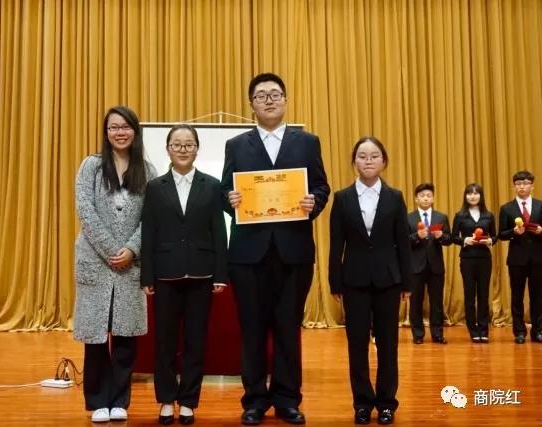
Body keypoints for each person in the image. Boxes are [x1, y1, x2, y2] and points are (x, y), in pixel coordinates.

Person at [221, 73, 330, 425]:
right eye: (261, 95)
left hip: (293, 251)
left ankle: (287, 399)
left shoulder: (307, 142)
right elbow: (224, 191)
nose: (269, 100)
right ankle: (254, 400)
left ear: (285, 100)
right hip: (248, 254)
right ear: (251, 104)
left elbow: (322, 187)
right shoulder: (236, 145)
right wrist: (230, 199)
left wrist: (314, 202)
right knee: (252, 329)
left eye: (275, 94)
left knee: (288, 328)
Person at [73, 106, 156, 423]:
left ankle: (120, 400)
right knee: (95, 336)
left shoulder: (147, 169)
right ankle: (97, 401)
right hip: (95, 260)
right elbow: (85, 210)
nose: (120, 132)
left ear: (135, 131)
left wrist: (132, 249)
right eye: (113, 127)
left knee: (125, 334)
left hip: (130, 264)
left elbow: (152, 217)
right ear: (106, 132)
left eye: (125, 127)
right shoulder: (91, 166)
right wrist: (111, 249)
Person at [141, 124, 228, 425]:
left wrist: (220, 273)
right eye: (176, 144)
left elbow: (219, 231)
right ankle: (167, 400)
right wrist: (147, 276)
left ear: (196, 149)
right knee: (164, 342)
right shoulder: (155, 187)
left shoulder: (212, 185)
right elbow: (149, 232)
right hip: (165, 276)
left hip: (202, 275)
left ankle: (189, 401)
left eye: (188, 144)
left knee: (195, 342)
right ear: (167, 149)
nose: (182, 149)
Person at [328, 136, 412, 426]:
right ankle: (362, 403)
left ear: (383, 161)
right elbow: (336, 244)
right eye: (362, 156)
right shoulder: (342, 198)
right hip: (354, 280)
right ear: (354, 162)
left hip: (389, 280)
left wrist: (407, 282)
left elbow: (403, 242)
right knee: (357, 344)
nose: (368, 161)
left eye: (374, 156)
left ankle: (387, 403)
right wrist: (335, 282)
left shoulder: (395, 197)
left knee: (388, 344)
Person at [498, 170, 542, 344]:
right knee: (517, 296)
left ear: (532, 186)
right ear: (514, 186)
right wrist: (514, 232)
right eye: (518, 184)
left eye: (525, 183)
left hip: (538, 258)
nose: (522, 187)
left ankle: (538, 331)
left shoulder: (540, 205)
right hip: (517, 259)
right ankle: (519, 332)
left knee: (538, 296)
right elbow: (501, 234)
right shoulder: (506, 208)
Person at [451, 183, 496, 343]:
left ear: (481, 196)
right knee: (469, 295)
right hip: (467, 259)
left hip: (484, 259)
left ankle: (484, 329)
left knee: (483, 294)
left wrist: (490, 241)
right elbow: (453, 237)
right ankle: (473, 330)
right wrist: (465, 240)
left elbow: (495, 236)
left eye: (476, 193)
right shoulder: (460, 215)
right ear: (465, 196)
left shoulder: (489, 215)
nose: (473, 196)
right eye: (469, 193)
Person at [407, 183, 452, 344]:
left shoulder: (441, 217)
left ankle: (437, 334)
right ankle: (418, 335)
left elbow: (449, 240)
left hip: (436, 266)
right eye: (422, 196)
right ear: (416, 198)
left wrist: (441, 236)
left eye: (428, 196)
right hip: (415, 267)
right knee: (415, 302)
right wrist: (417, 237)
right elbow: (403, 242)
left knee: (436, 302)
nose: (425, 198)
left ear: (433, 198)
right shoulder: (409, 218)